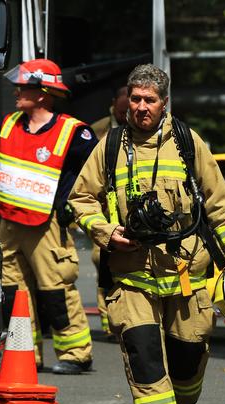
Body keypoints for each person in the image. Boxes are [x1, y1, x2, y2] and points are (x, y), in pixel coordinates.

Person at [69, 64, 225, 404]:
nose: (140, 107)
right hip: (133, 271)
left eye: (149, 100)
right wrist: (106, 232)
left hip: (185, 271)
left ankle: (181, 403)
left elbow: (219, 204)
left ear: (164, 103)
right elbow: (80, 199)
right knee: (143, 346)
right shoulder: (112, 145)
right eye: (134, 99)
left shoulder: (188, 143)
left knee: (188, 353)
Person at [0, 58, 96, 375]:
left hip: (47, 224)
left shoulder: (74, 133)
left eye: (25, 86)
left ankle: (76, 353)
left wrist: (72, 203)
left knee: (55, 291)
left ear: (43, 93)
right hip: (9, 223)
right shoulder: (5, 125)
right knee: (12, 293)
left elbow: (96, 173)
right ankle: (24, 352)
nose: (17, 91)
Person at [88, 85, 130, 341]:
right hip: (105, 213)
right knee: (103, 263)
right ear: (114, 104)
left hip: (127, 210)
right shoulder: (98, 130)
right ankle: (110, 322)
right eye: (123, 109)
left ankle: (122, 319)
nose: (127, 115)